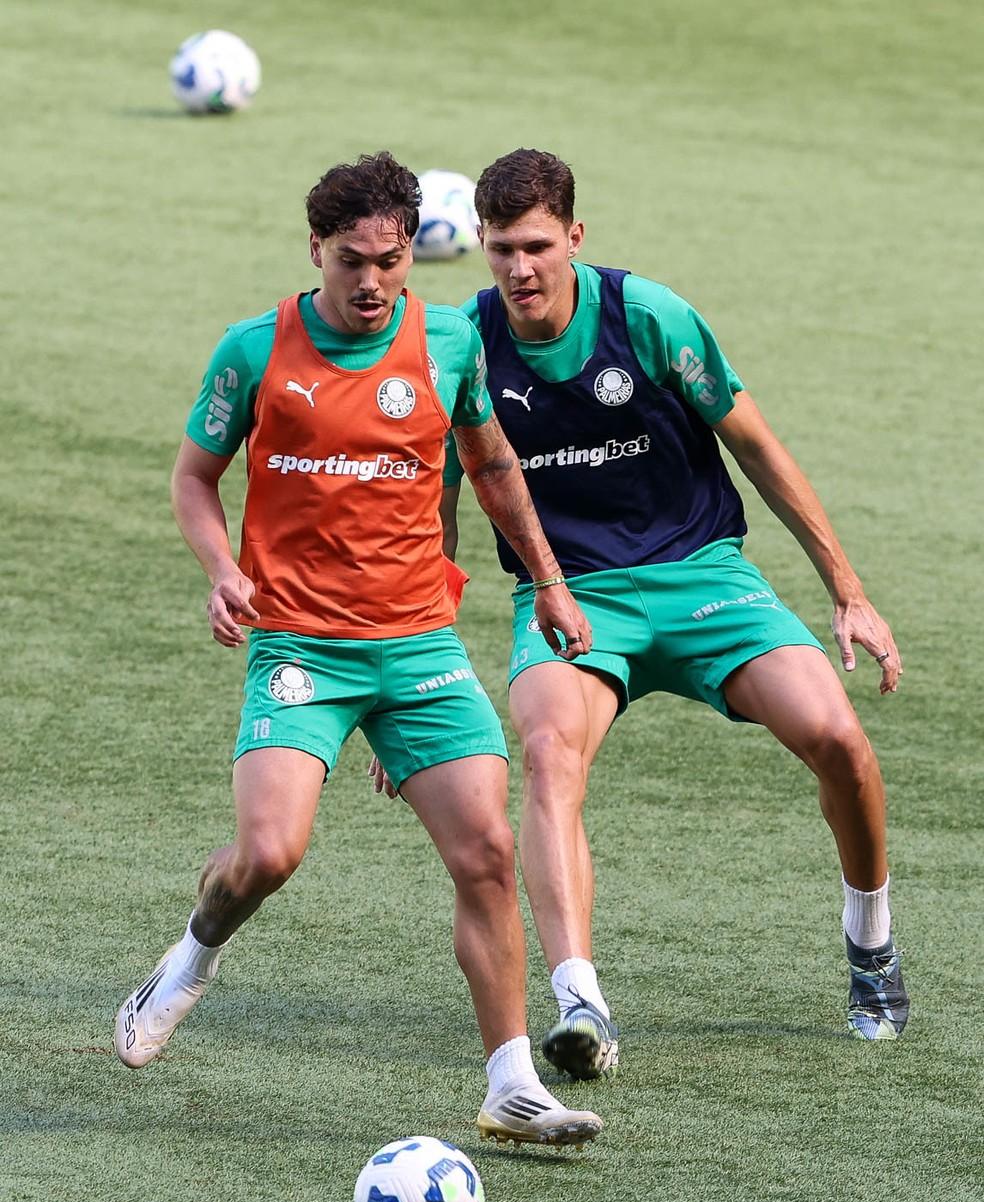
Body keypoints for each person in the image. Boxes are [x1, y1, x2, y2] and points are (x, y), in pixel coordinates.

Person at [113, 152, 603, 1149]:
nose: (373, 282)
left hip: (417, 641)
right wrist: (220, 568)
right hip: (301, 643)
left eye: (392, 260)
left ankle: (510, 1081)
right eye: (352, 261)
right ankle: (193, 955)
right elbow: (195, 479)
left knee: (488, 850)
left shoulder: (453, 340)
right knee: (268, 852)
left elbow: (492, 465)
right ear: (316, 252)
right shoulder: (255, 352)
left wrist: (549, 579)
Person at [433, 147, 908, 1077]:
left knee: (840, 740)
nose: (519, 269)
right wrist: (420, 658)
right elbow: (435, 508)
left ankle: (872, 944)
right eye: (499, 250)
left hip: (702, 577)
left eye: (536, 246)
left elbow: (760, 450)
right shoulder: (464, 343)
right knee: (545, 755)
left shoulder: (649, 317)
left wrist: (849, 594)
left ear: (575, 236)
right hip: (568, 594)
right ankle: (580, 1001)